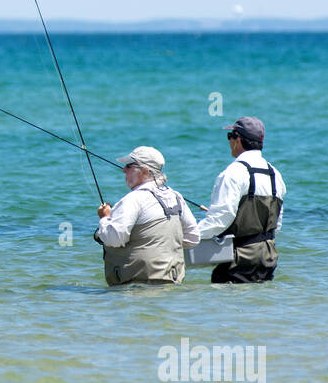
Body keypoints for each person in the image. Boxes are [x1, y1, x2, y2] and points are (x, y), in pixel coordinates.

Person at [196, 117, 286, 283]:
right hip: (268, 257)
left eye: (230, 136)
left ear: (237, 139)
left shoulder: (232, 173)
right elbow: (276, 224)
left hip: (238, 258)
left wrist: (190, 236)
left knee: (227, 298)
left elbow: (219, 220)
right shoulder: (275, 175)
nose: (229, 141)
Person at [94, 146, 200, 285]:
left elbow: (115, 238)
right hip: (172, 283)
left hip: (135, 287)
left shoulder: (133, 199)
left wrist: (105, 218)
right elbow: (193, 238)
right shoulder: (176, 196)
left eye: (129, 166)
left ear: (145, 171)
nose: (124, 170)